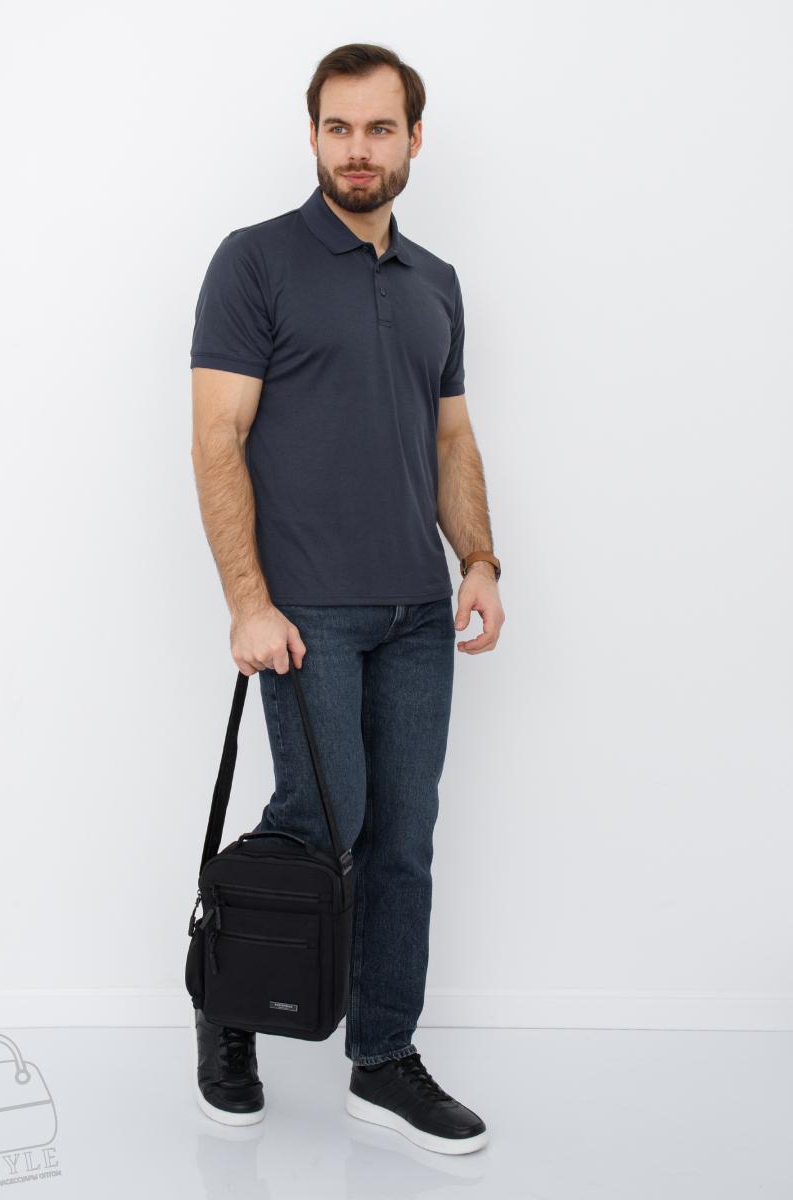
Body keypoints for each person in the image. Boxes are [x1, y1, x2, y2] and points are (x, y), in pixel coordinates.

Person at [188, 42, 504, 1156]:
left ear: (413, 138)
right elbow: (217, 437)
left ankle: (382, 1058)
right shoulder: (255, 261)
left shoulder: (436, 283)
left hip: (417, 612)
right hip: (307, 612)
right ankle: (227, 1011)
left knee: (403, 839)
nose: (356, 150)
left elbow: (451, 437)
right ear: (314, 135)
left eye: (378, 129)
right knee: (322, 823)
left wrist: (479, 560)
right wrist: (248, 602)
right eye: (337, 128)